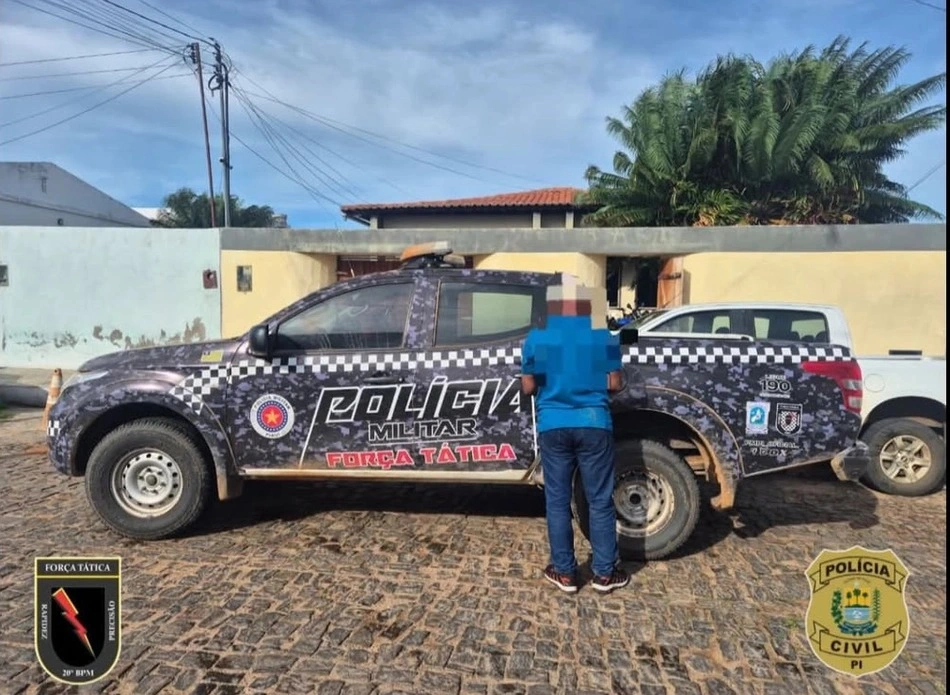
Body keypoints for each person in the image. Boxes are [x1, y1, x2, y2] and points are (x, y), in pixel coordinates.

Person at [520, 276, 628, 594]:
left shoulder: (538, 338)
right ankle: (605, 574)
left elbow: (529, 386)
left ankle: (565, 573)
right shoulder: (601, 335)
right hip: (595, 423)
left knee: (557, 500)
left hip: (554, 425)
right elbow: (614, 384)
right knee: (599, 500)